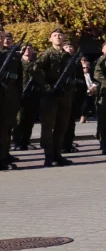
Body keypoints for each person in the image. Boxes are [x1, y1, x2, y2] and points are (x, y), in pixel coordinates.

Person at [34, 28, 76, 168]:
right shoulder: (47, 53)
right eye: (55, 35)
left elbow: (73, 75)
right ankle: (49, 156)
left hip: (64, 95)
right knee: (49, 127)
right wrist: (46, 86)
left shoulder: (68, 56)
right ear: (50, 39)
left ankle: (58, 154)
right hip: (50, 95)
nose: (58, 37)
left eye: (60, 35)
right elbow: (35, 69)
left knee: (61, 126)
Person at [0, 32, 24, 170]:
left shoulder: (13, 56)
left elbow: (19, 79)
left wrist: (18, 97)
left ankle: (2, 158)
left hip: (8, 97)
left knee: (5, 129)